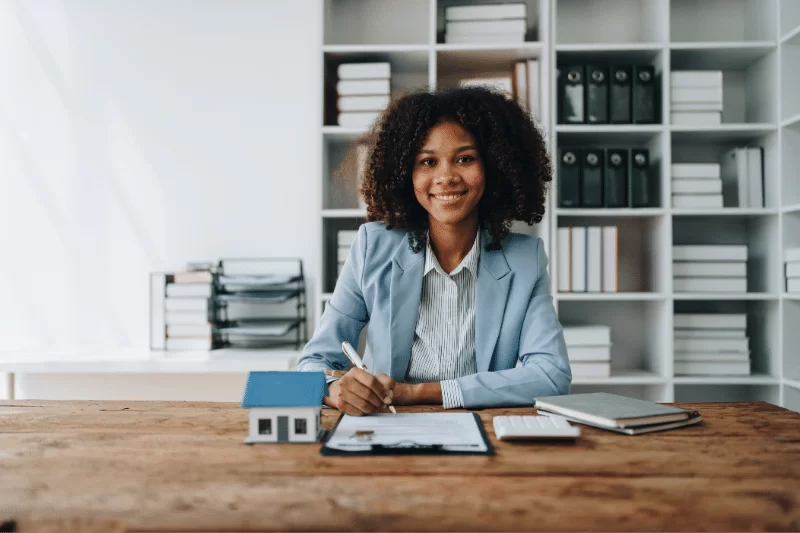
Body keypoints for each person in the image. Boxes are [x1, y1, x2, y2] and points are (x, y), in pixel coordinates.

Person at [297, 86, 571, 416]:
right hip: (387, 427)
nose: (446, 177)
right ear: (405, 174)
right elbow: (314, 362)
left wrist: (416, 393)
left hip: (481, 430)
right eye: (427, 162)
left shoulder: (524, 259)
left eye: (465, 159)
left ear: (495, 168)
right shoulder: (373, 247)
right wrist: (335, 390)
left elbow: (551, 375)